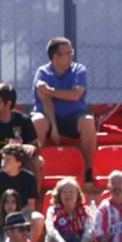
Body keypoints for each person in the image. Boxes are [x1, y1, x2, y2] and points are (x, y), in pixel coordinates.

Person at [31, 37, 97, 176]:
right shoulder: (42, 73)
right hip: (49, 118)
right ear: (55, 57)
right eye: (67, 53)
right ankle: (36, 167)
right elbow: (46, 101)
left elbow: (76, 94)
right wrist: (54, 128)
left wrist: (50, 91)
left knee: (88, 121)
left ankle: (89, 170)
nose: (71, 55)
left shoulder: (78, 70)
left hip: (73, 118)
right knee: (38, 121)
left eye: (71, 51)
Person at [0, 83, 39, 181]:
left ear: (8, 103)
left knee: (38, 162)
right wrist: (6, 153)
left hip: (18, 161)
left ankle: (34, 195)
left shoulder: (24, 120)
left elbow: (35, 145)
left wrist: (31, 148)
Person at [0, 144, 41, 242]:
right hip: (1, 213)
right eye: (3, 159)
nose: (3, 163)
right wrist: (5, 212)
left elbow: (31, 205)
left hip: (22, 212)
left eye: (8, 160)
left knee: (38, 218)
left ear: (18, 163)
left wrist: (16, 214)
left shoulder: (29, 178)